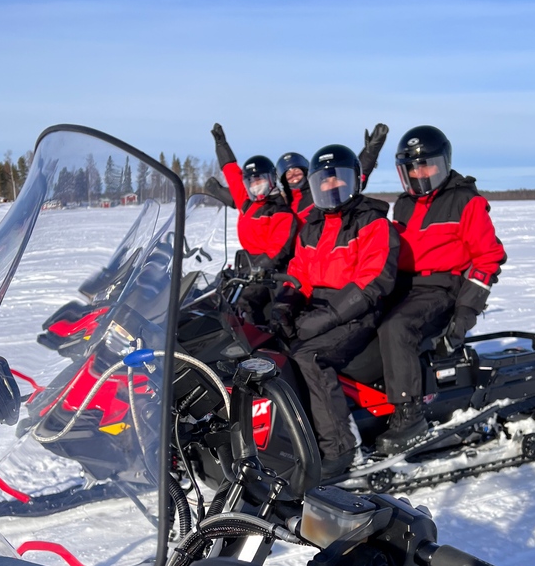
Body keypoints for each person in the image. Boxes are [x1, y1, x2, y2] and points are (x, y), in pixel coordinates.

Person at [376, 125, 507, 455]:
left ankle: (410, 414)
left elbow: (488, 258)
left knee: (397, 327)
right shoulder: (403, 204)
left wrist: (465, 312)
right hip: (404, 285)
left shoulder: (465, 201)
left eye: (426, 165)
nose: (420, 173)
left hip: (442, 288)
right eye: (412, 168)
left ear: (443, 163)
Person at [271, 144, 399, 479]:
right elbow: (299, 271)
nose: (331, 187)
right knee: (273, 348)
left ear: (355, 180)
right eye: (323, 181)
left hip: (359, 312)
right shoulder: (312, 225)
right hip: (320, 308)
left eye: (338, 179)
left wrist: (328, 316)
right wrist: (286, 302)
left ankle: (340, 446)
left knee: (310, 357)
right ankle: (299, 435)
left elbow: (373, 281)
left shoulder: (372, 222)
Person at [210, 124, 297, 324]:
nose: (257, 186)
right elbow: (232, 173)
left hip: (269, 270)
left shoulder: (280, 212)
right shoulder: (247, 204)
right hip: (247, 266)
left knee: (243, 304)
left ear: (271, 180)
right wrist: (221, 145)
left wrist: (257, 270)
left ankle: (249, 344)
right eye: (253, 182)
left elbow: (278, 249)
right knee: (220, 297)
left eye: (261, 180)